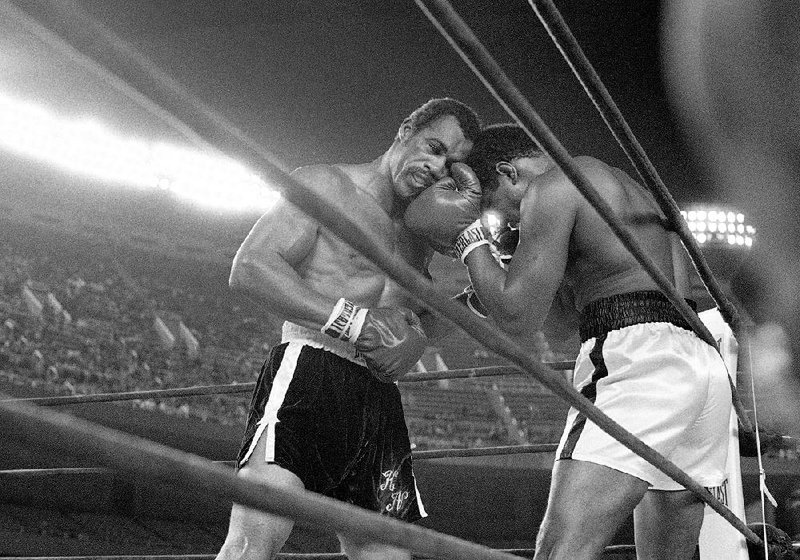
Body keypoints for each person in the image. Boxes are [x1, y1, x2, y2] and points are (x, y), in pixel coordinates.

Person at [404, 123, 732, 560]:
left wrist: (468, 238)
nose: (507, 220)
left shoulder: (551, 187)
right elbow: (558, 325)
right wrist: (508, 260)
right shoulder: (624, 187)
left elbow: (519, 315)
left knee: (562, 551)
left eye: (495, 206)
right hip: (700, 364)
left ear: (509, 173)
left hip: (639, 359)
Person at [215, 97, 480, 560]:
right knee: (254, 542)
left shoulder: (422, 232)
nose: (436, 168)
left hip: (378, 398)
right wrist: (352, 323)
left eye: (451, 165)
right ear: (405, 130)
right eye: (433, 147)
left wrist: (477, 299)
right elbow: (253, 267)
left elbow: (406, 330)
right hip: (311, 371)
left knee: (388, 555)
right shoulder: (326, 185)